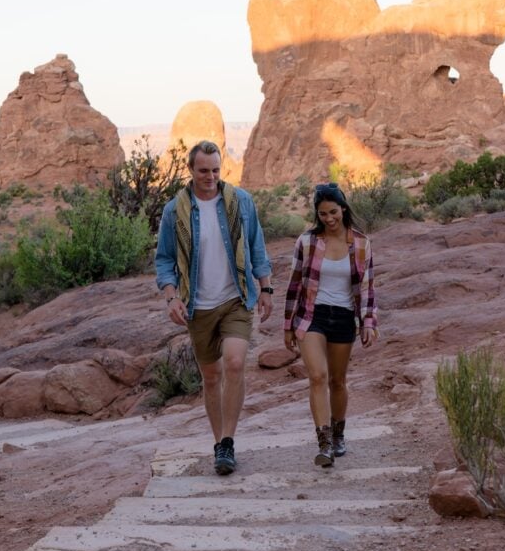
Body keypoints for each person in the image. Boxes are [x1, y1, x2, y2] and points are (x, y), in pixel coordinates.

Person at [155, 140, 273, 475]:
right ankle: (218, 440)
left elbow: (257, 246)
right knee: (211, 377)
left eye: (216, 170)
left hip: (235, 298)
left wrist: (265, 288)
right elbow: (164, 259)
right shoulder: (174, 211)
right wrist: (171, 296)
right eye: (203, 170)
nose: (211, 176)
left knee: (235, 363)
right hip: (198, 305)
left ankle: (227, 443)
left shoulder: (241, 202)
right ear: (190, 170)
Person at [284, 182, 378, 467]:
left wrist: (368, 322)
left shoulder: (361, 243)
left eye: (333, 212)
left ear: (344, 209)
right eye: (323, 214)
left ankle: (338, 434)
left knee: (338, 381)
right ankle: (323, 443)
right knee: (318, 376)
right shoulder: (307, 242)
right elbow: (295, 284)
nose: (329, 218)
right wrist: (288, 325)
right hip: (312, 315)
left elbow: (367, 286)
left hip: (344, 316)